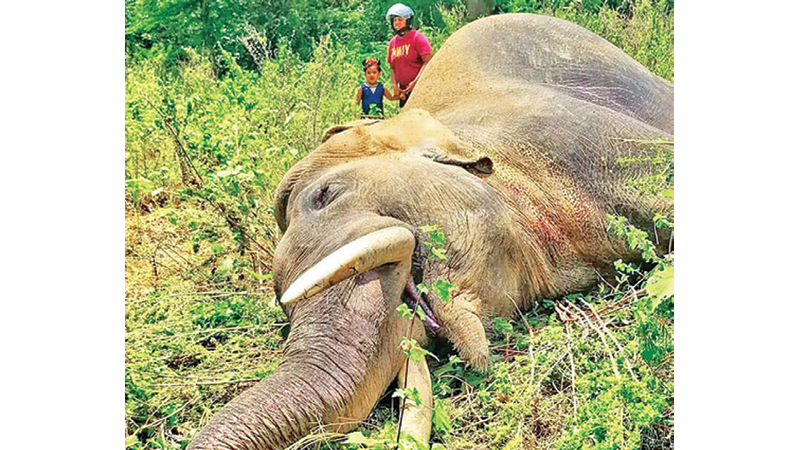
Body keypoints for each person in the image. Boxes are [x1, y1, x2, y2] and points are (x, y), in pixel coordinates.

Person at [385, 3, 432, 108]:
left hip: (420, 89)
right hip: (403, 93)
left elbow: (428, 61)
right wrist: (394, 85)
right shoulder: (393, 42)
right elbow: (392, 67)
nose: (396, 23)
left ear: (408, 21)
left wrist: (415, 82)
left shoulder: (417, 38)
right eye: (394, 20)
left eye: (400, 20)